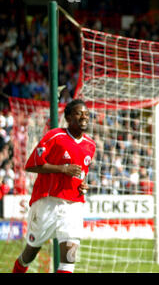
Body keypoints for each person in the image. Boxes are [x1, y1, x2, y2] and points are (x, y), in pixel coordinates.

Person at [12, 99, 96, 273]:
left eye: (86, 114)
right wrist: (62, 169)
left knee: (69, 260)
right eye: (79, 113)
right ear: (67, 117)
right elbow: (31, 165)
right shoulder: (55, 136)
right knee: (30, 252)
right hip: (47, 202)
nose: (84, 117)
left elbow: (81, 174)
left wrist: (82, 185)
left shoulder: (90, 145)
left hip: (74, 205)